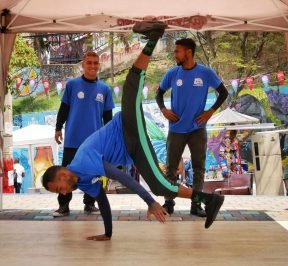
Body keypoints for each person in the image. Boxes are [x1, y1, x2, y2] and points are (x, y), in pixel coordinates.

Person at [42, 21, 224, 241]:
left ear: (62, 174)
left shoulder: (83, 162)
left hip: (127, 128)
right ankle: (208, 199)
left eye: (58, 188)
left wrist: (150, 203)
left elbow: (122, 177)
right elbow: (102, 200)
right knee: (159, 185)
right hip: (133, 148)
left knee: (130, 88)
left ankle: (153, 39)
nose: (62, 192)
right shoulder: (81, 181)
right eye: (58, 193)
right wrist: (107, 234)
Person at [155, 38, 228, 217]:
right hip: (176, 129)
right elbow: (159, 93)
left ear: (188, 52)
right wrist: (164, 110)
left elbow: (223, 92)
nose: (175, 55)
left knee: (198, 168)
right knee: (171, 168)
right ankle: (168, 203)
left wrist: (210, 111)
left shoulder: (205, 72)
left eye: (177, 51)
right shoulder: (172, 73)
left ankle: (197, 205)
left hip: (197, 128)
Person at [53, 50, 115, 217]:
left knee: (93, 174)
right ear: (83, 65)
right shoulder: (72, 85)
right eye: (89, 62)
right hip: (72, 139)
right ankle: (63, 206)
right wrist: (58, 128)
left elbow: (108, 118)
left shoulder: (104, 89)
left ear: (99, 65)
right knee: (66, 173)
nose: (92, 66)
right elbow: (63, 109)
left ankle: (89, 204)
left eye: (95, 63)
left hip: (94, 142)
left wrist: (109, 140)